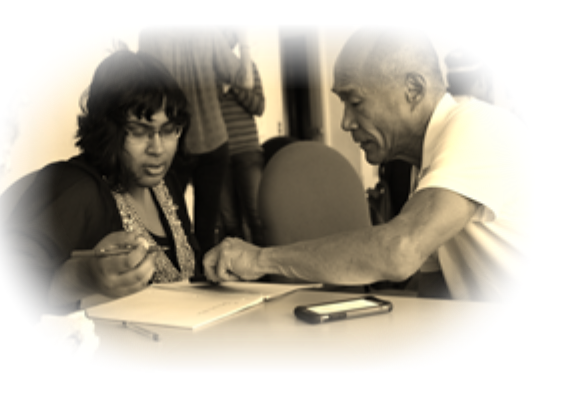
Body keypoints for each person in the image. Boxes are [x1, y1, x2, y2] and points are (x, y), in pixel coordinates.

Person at [203, 25, 534, 304]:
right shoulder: (429, 167)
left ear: (413, 89)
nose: (346, 122)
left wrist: (261, 259)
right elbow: (433, 300)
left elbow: (399, 250)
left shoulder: (479, 128)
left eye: (355, 102)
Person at [0, 49, 200, 327]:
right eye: (139, 131)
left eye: (169, 129)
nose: (158, 148)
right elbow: (4, 273)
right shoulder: (73, 188)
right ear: (108, 129)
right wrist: (80, 276)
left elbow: (186, 271)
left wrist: (219, 266)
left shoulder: (164, 183)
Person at [138, 25, 253, 255]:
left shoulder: (149, 36)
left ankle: (177, 272)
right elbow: (246, 81)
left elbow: (144, 91)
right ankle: (202, 272)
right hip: (212, 139)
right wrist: (244, 39)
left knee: (169, 222)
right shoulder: (209, 34)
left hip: (172, 141)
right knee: (206, 229)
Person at [215, 24, 266, 246]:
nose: (228, 38)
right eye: (223, 31)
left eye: (231, 33)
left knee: (258, 218)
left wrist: (234, 85)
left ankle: (266, 264)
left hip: (248, 151)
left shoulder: (248, 67)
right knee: (230, 224)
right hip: (219, 154)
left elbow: (258, 106)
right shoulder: (208, 73)